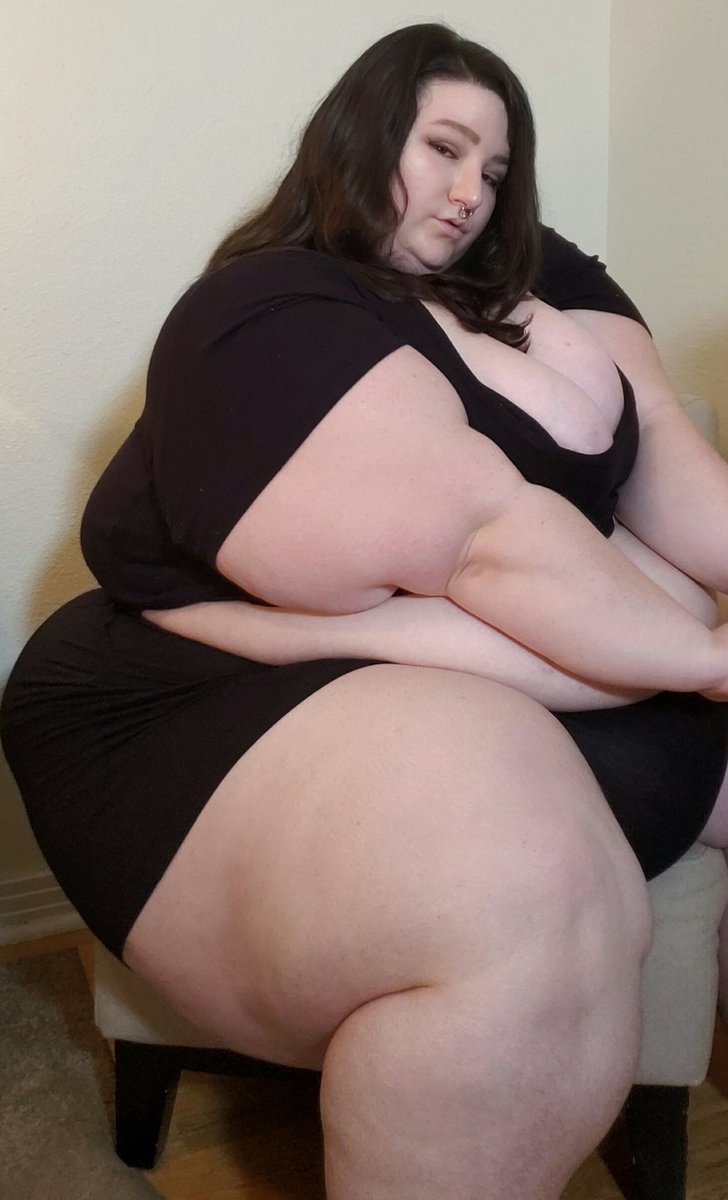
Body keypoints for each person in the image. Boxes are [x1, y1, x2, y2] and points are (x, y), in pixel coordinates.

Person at [4, 21, 728, 1199]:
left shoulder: (534, 270)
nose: (469, 190)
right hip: (198, 700)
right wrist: (695, 651)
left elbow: (661, 451)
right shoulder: (272, 304)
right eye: (441, 148)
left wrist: (674, 633)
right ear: (360, 136)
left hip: (538, 650)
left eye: (494, 167)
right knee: (525, 901)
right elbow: (486, 541)